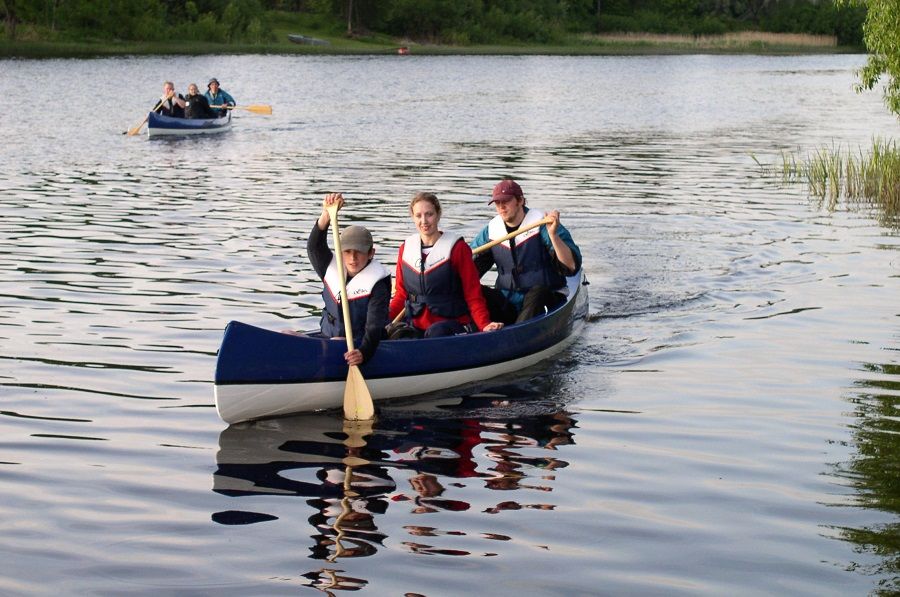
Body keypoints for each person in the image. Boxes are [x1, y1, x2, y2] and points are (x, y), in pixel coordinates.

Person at [389, 192, 503, 338]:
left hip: (453, 325)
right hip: (417, 325)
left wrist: (484, 324)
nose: (424, 221)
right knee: (398, 334)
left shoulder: (458, 249)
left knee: (436, 332)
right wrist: (380, 322)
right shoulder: (405, 249)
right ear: (413, 217)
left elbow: (473, 294)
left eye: (429, 214)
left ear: (438, 214)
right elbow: (401, 295)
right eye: (418, 216)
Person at [472, 178, 582, 324]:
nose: (501, 207)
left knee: (538, 293)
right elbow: (467, 269)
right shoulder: (490, 231)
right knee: (473, 291)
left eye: (506, 201)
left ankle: (517, 332)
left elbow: (571, 267)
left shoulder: (543, 224)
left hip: (546, 298)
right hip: (508, 302)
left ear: (520, 201)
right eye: (497, 203)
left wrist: (553, 236)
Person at [306, 193, 391, 366]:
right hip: (328, 337)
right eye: (347, 252)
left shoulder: (378, 285)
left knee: (337, 341)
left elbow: (374, 327)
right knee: (287, 334)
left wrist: (364, 353)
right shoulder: (330, 267)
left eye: (359, 252)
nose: (353, 258)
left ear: (371, 253)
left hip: (358, 346)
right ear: (340, 251)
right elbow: (314, 247)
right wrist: (326, 215)